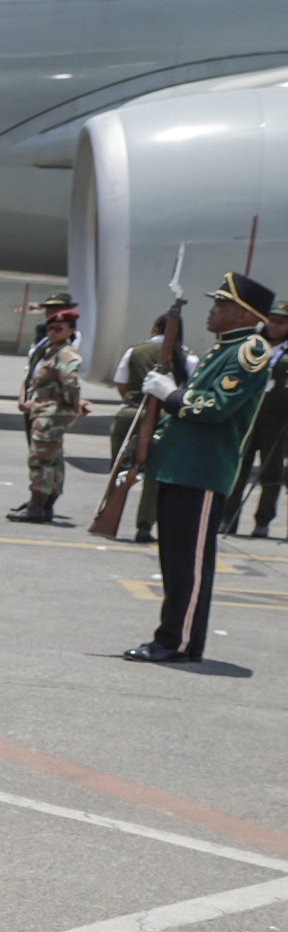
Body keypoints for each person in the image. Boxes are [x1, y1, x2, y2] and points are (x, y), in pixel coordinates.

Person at [125, 272, 277, 664]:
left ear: (245, 314)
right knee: (175, 560)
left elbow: (212, 407)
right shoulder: (225, 347)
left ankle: (177, 641)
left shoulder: (250, 349)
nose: (214, 310)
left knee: (189, 564)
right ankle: (175, 637)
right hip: (181, 466)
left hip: (202, 470)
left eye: (222, 305)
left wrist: (169, 393)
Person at [108, 315, 194, 543]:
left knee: (119, 467)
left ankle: (107, 513)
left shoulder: (135, 351)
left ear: (155, 327)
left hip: (131, 413)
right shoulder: (188, 357)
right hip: (165, 419)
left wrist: (134, 402)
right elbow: (188, 391)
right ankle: (145, 525)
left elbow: (122, 383)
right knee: (155, 474)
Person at [9, 308, 86, 523]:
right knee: (52, 459)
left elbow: (70, 381)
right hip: (44, 411)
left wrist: (71, 406)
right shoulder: (50, 352)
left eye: (59, 329)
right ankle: (43, 505)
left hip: (50, 414)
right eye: (50, 328)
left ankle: (37, 506)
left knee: (41, 460)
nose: (52, 332)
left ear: (70, 330)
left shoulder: (65, 354)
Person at [221, 299, 288, 537]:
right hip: (249, 418)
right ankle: (228, 517)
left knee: (272, 472)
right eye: (272, 320)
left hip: (278, 421)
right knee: (238, 470)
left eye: (281, 322)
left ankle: (263, 520)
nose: (274, 326)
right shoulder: (255, 346)